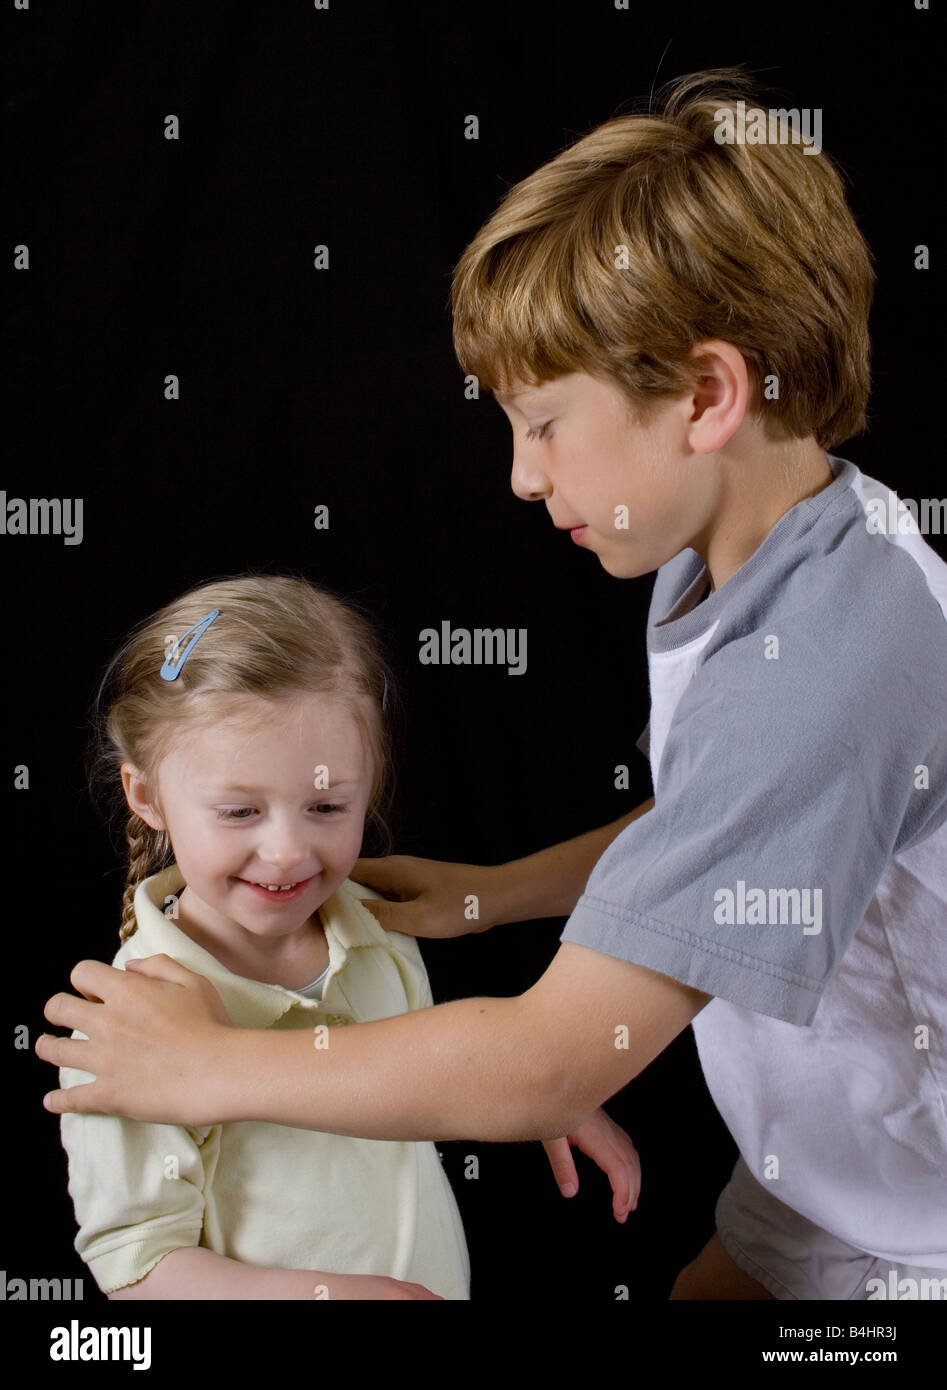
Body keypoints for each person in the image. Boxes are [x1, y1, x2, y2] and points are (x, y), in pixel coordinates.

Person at [39, 68, 947, 1301]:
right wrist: (496, 896)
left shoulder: (832, 654)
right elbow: (732, 816)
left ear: (704, 394)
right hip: (831, 1179)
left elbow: (546, 1069)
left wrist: (198, 1065)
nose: (521, 478)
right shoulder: (771, 550)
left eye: (543, 423)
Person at [55, 574, 639, 1302]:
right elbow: (138, 1270)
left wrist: (529, 1092)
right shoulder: (128, 1027)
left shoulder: (373, 926)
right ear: (148, 798)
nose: (288, 852)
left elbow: (409, 1076)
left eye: (327, 805)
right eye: (239, 812)